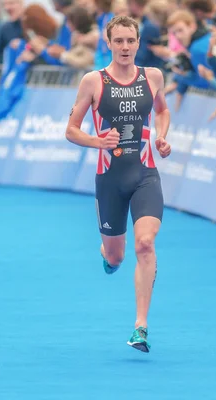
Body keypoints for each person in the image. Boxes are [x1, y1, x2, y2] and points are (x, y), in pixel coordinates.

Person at [65, 15, 171, 353]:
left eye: (130, 41)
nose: (125, 47)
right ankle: (108, 257)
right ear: (108, 43)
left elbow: (163, 111)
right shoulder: (93, 81)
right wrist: (98, 142)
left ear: (138, 43)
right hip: (109, 179)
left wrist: (163, 137)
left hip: (145, 174)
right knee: (117, 256)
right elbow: (71, 130)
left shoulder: (152, 77)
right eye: (118, 41)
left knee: (145, 243)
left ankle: (140, 327)